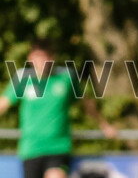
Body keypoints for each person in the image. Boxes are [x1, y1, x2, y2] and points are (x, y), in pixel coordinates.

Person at [0, 40, 117, 178]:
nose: (41, 62)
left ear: (52, 58)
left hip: (58, 147)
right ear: (30, 59)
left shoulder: (66, 77)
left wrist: (104, 125)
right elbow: (2, 104)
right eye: (37, 57)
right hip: (31, 148)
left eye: (44, 57)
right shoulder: (23, 79)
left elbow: (86, 103)